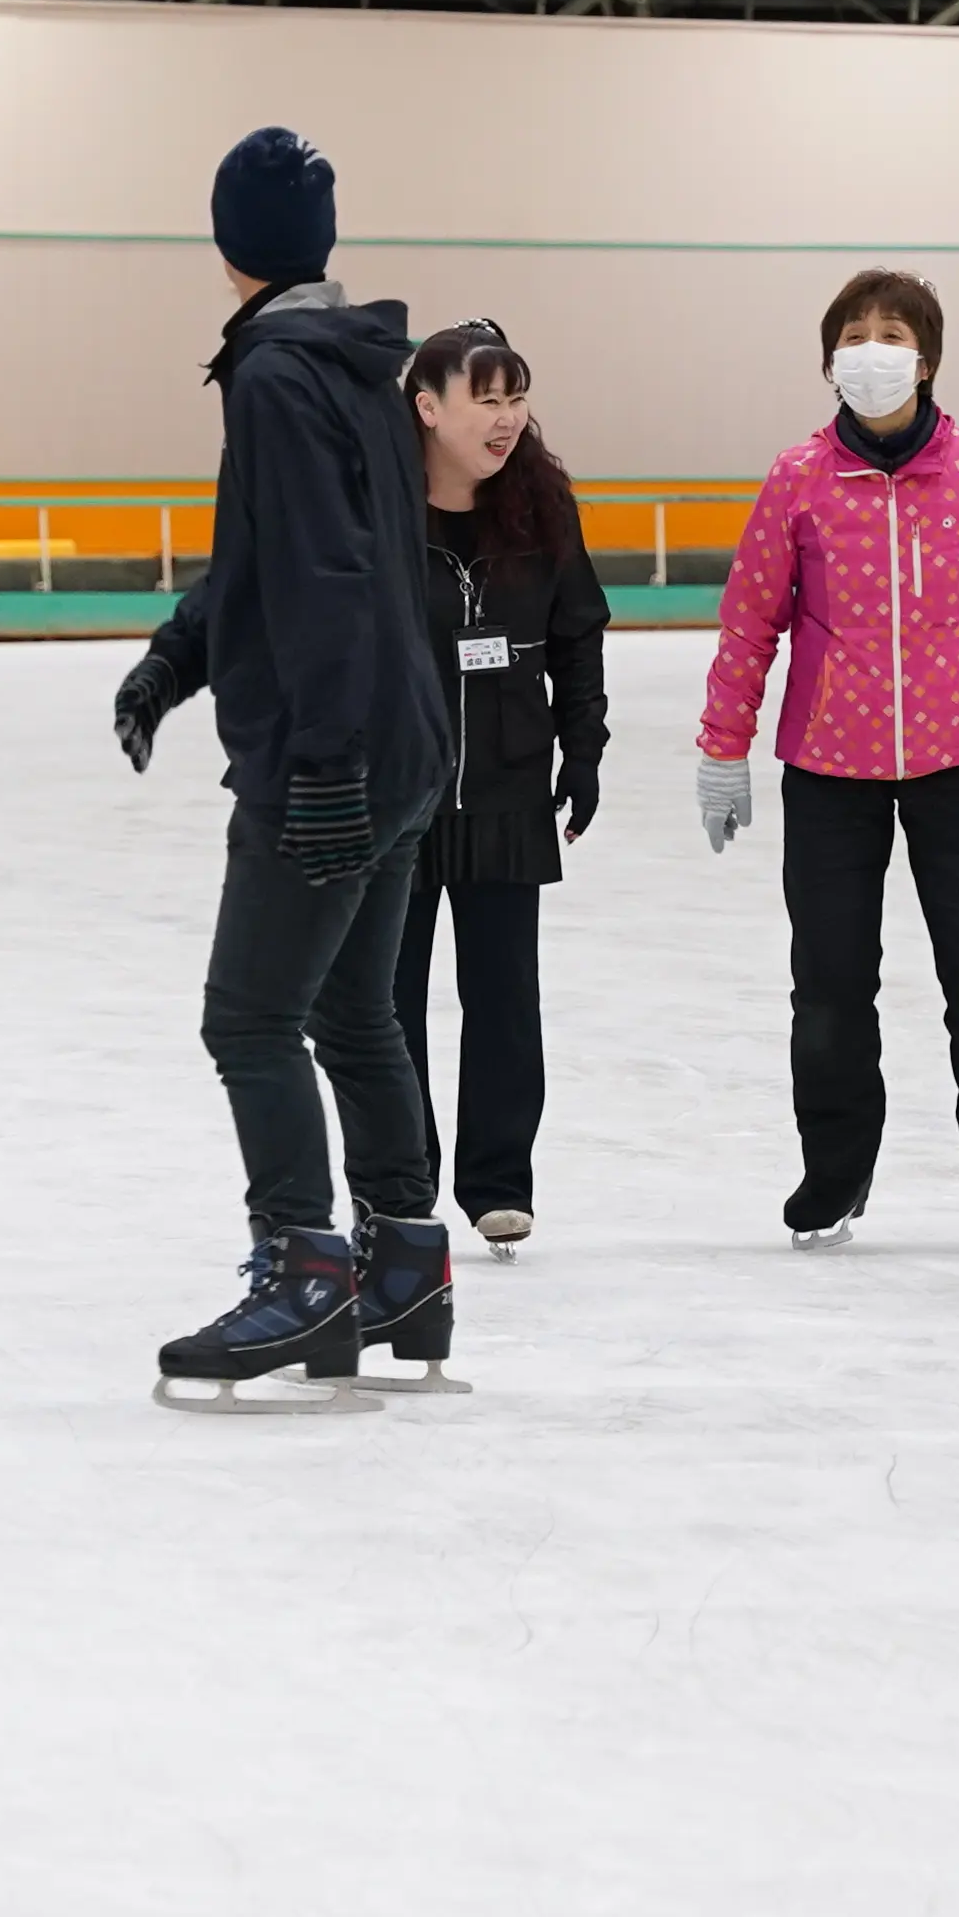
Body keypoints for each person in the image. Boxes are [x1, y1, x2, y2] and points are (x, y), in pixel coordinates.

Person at [109, 127, 454, 1394]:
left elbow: (319, 575)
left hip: (343, 747)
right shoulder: (356, 359)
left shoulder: (275, 374)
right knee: (353, 1013)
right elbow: (280, 560)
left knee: (249, 1018)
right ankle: (406, 1265)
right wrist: (177, 657)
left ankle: (309, 1273)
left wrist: (318, 763)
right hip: (407, 738)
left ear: (225, 246)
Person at [694, 270, 959, 1249]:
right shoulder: (799, 477)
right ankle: (835, 1171)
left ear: (928, 357)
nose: (873, 347)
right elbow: (750, 620)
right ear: (830, 362)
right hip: (829, 768)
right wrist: (723, 750)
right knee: (828, 978)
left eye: (892, 331)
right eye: (854, 333)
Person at [395, 324, 610, 1257]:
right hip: (393, 798)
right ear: (426, 406)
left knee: (504, 998)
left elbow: (578, 635)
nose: (506, 417)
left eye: (517, 396)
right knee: (385, 1003)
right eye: (485, 396)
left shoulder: (542, 508)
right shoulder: (375, 514)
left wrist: (584, 746)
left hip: (508, 787)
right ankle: (397, 1180)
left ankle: (496, 1183)